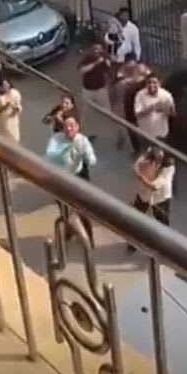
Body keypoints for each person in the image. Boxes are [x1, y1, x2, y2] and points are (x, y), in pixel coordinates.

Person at [45, 116, 98, 244]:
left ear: (77, 127)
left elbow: (92, 160)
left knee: (83, 210)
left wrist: (86, 155)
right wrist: (65, 151)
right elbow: (50, 156)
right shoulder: (56, 139)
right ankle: (70, 231)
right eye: (66, 126)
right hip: (61, 179)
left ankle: (88, 239)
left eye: (72, 125)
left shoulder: (83, 141)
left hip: (78, 177)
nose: (69, 128)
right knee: (65, 210)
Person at [128, 147, 176, 254]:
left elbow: (154, 187)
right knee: (136, 218)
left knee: (162, 222)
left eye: (156, 160)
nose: (152, 162)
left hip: (160, 198)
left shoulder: (168, 168)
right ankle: (133, 242)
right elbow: (136, 166)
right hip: (144, 194)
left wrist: (140, 177)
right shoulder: (148, 156)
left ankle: (165, 244)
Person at [114, 53, 151, 152]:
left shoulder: (141, 68)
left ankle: (147, 143)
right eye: (128, 62)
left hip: (141, 100)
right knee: (131, 126)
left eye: (132, 62)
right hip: (129, 103)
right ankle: (137, 148)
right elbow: (119, 81)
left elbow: (149, 76)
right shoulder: (122, 71)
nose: (130, 64)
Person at [134, 73, 176, 143]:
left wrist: (165, 109)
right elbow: (137, 115)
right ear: (146, 84)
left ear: (159, 83)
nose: (152, 85)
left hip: (161, 134)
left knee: (159, 154)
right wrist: (152, 107)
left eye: (154, 82)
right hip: (144, 133)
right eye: (149, 83)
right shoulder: (140, 95)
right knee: (144, 152)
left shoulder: (166, 96)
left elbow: (173, 114)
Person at [79, 42, 115, 114]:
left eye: (100, 49)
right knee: (87, 110)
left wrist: (109, 63)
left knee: (107, 110)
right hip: (88, 90)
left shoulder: (104, 57)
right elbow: (81, 71)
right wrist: (96, 63)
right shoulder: (88, 57)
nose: (98, 51)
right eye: (96, 48)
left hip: (100, 89)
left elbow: (109, 72)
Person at [0, 75, 23, 143]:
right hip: (2, 120)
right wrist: (3, 108)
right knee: (3, 138)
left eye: (7, 84)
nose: (6, 87)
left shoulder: (15, 93)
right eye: (3, 85)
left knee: (14, 138)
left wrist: (16, 109)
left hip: (12, 119)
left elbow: (19, 106)